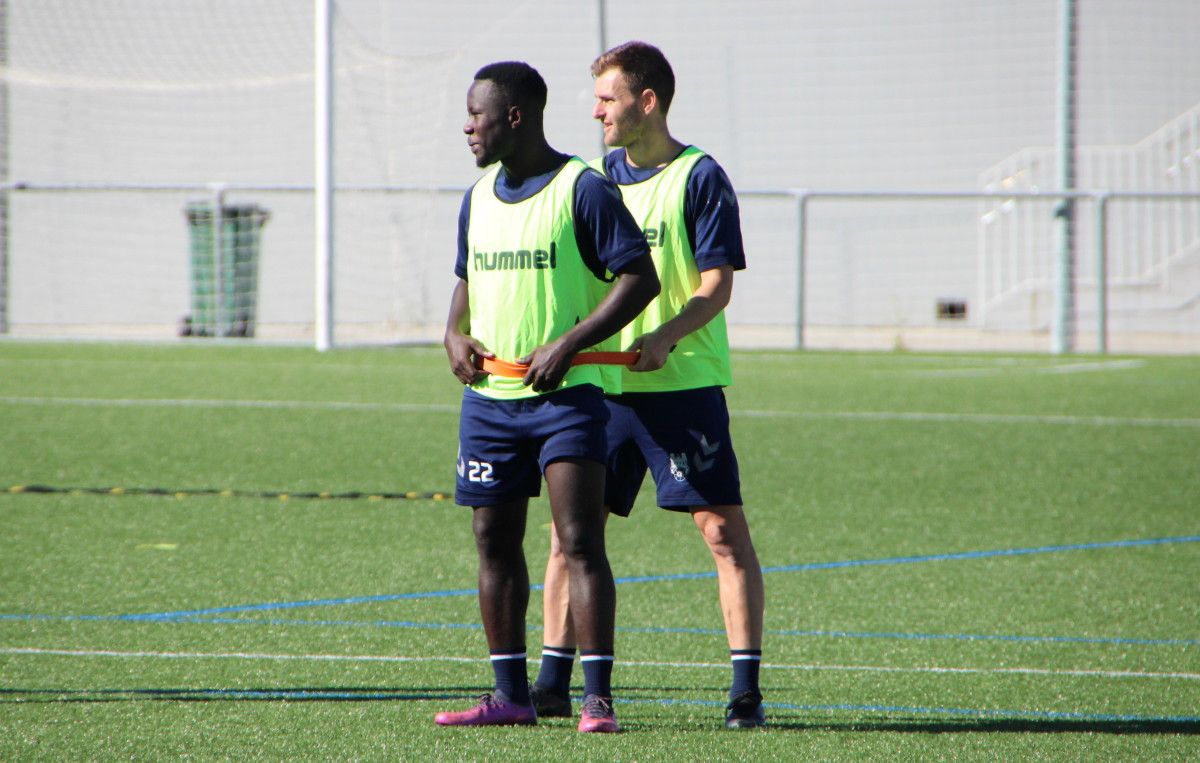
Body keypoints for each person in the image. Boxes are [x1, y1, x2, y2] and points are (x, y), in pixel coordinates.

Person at [531, 41, 767, 730]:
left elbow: (716, 286)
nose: (597, 111)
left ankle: (745, 692)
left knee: (722, 532)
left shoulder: (700, 177)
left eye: (607, 98)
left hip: (682, 387)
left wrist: (666, 335)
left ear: (647, 101)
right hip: (600, 391)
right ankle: (552, 680)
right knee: (569, 535)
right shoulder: (593, 179)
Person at [437, 61, 659, 733]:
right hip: (490, 401)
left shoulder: (581, 189)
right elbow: (467, 278)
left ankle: (597, 699)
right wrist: (452, 331)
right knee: (491, 539)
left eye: (478, 114)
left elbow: (638, 279)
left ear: (516, 117)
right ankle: (510, 695)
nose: (467, 125)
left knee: (580, 539)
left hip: (568, 400)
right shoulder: (476, 197)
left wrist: (569, 342)